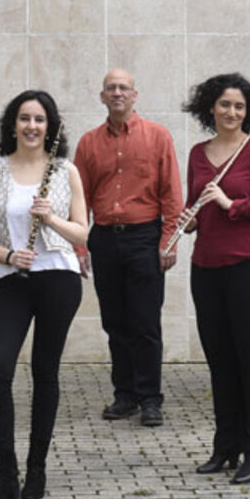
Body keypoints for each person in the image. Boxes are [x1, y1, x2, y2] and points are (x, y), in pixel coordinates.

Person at [0, 90, 87, 499]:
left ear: (50, 126)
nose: (32, 127)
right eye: (24, 119)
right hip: (13, 279)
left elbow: (82, 233)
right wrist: (7, 255)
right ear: (13, 124)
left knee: (44, 371)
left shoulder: (64, 171)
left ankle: (37, 468)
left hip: (58, 276)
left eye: (39, 119)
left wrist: (50, 218)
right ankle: (6, 473)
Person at [181, 73, 250, 485]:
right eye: (225, 105)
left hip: (248, 268)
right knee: (220, 362)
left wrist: (232, 204)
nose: (232, 112)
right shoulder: (196, 153)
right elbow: (193, 205)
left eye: (240, 106)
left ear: (249, 112)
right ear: (211, 107)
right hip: (206, 268)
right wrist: (188, 222)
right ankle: (225, 445)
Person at [74, 69, 183, 427]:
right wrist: (79, 247)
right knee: (114, 322)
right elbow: (80, 200)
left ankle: (151, 397)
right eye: (111, 88)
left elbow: (171, 194)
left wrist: (168, 241)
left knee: (145, 322)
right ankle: (125, 395)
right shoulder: (89, 143)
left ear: (135, 95)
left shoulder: (158, 137)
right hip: (104, 239)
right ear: (101, 97)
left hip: (144, 238)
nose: (117, 93)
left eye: (123, 88)